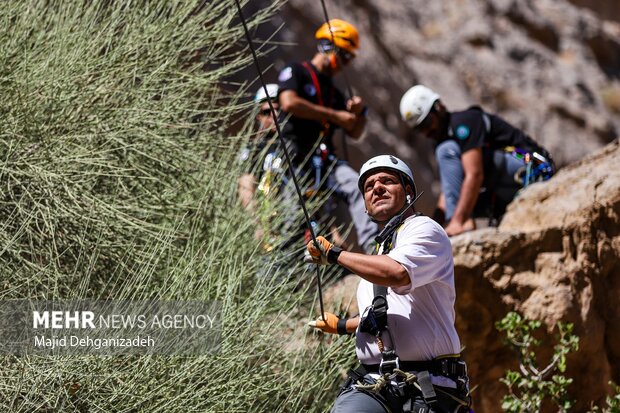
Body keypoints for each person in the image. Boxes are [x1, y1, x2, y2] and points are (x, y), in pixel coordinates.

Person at [305, 155, 471, 413]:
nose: (377, 188)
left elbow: (397, 274)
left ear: (408, 191)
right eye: (369, 186)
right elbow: (385, 312)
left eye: (387, 181)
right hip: (374, 384)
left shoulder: (424, 229)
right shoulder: (381, 251)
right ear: (365, 206)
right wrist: (341, 325)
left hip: (428, 385)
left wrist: (335, 255)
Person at [399, 85, 554, 236]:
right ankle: (456, 224)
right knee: (450, 166)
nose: (426, 132)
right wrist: (431, 229)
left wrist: (457, 220)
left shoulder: (465, 122)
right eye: (419, 129)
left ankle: (460, 224)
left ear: (438, 107)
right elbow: (448, 191)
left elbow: (475, 174)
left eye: (426, 123)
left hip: (531, 168)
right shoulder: (441, 141)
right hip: (505, 184)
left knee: (446, 150)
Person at [277, 19, 378, 251]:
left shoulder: (334, 92)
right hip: (297, 157)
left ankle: (373, 249)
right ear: (327, 47)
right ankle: (281, 267)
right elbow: (288, 102)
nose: (345, 64)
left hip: (326, 161)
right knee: (294, 214)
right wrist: (335, 115)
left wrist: (358, 114)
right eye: (344, 56)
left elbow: (354, 132)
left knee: (357, 186)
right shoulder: (297, 71)